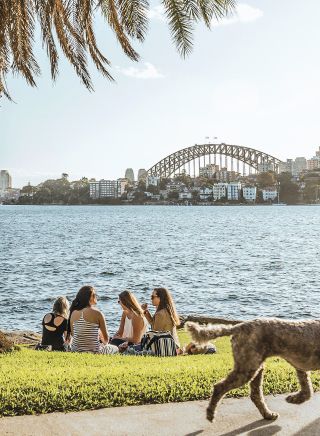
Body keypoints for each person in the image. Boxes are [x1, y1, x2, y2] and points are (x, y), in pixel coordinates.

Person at [67, 285, 118, 354]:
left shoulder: (74, 313)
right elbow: (106, 340)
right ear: (90, 297)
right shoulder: (98, 313)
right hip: (94, 351)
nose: (96, 296)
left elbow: (74, 334)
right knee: (115, 348)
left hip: (76, 350)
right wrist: (100, 339)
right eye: (95, 294)